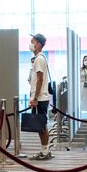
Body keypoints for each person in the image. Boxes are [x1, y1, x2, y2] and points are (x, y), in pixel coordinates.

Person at [28, 33, 52, 161]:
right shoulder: (38, 58)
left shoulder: (39, 59)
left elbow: (40, 79)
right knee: (41, 125)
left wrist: (35, 98)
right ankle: (45, 150)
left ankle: (44, 152)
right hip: (40, 97)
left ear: (38, 44)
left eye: (32, 41)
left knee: (41, 125)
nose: (31, 44)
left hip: (40, 98)